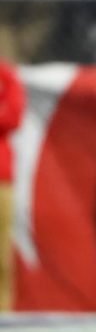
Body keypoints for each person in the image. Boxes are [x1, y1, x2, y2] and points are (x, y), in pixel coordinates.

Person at [0, 59, 24, 312]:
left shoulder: (6, 76)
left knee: (1, 251)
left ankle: (3, 313)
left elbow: (13, 116)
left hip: (1, 176)